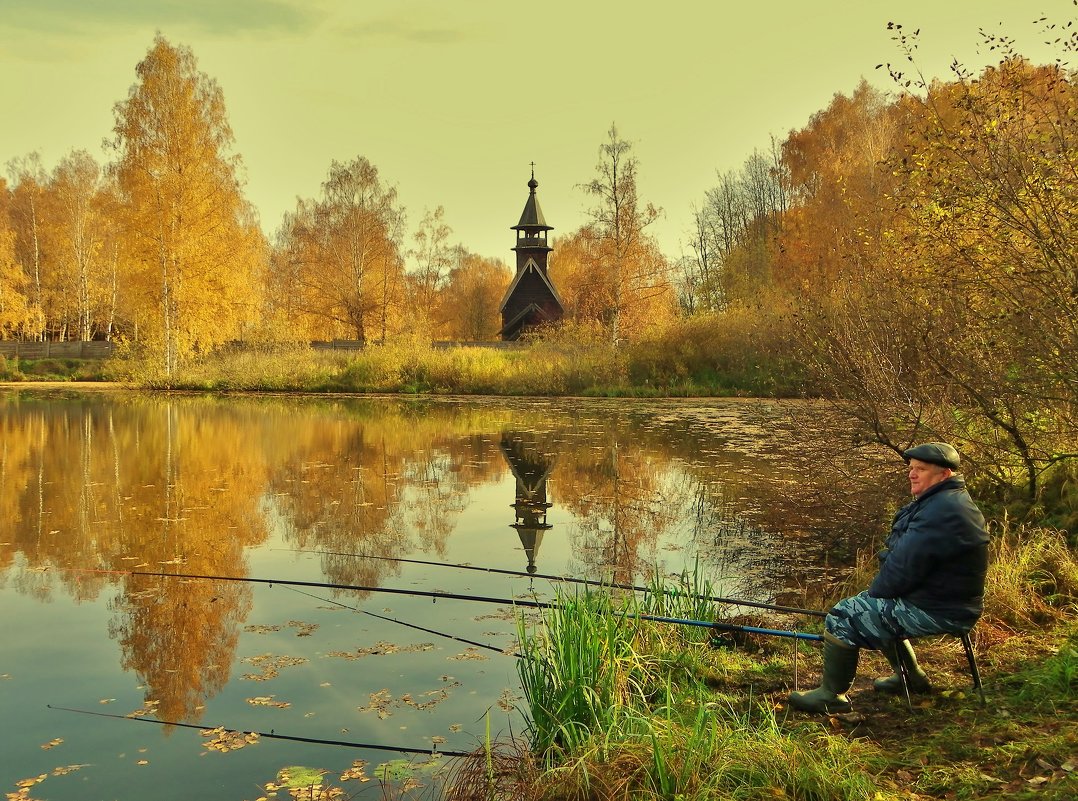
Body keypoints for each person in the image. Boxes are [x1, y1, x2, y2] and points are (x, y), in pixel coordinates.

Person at [787, 442, 989, 713]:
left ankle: (830, 696)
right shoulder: (946, 502)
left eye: (921, 469)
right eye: (911, 468)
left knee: (844, 613)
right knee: (871, 607)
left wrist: (873, 598)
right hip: (946, 602)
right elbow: (907, 563)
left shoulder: (941, 512)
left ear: (945, 475)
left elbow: (901, 570)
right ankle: (911, 677)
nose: (912, 474)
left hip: (943, 610)